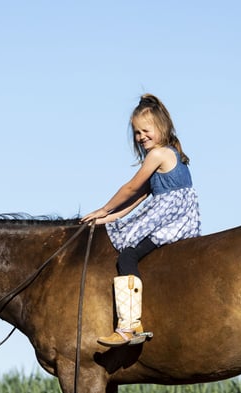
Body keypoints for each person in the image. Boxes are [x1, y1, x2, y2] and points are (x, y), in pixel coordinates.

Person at [82, 94, 201, 346]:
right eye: (137, 133)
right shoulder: (170, 155)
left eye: (145, 130)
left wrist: (103, 209)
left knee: (127, 256)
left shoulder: (158, 155)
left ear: (161, 128)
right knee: (127, 240)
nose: (141, 137)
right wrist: (111, 217)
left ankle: (128, 326)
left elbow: (130, 188)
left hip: (170, 220)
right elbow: (139, 198)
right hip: (177, 218)